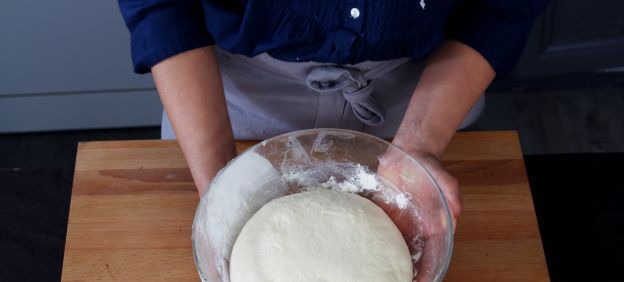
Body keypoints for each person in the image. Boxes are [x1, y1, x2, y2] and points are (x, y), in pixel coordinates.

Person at [118, 1, 548, 224]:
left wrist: (420, 144)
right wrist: (221, 185)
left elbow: (502, 7)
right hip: (231, 98)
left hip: (429, 91)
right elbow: (163, 5)